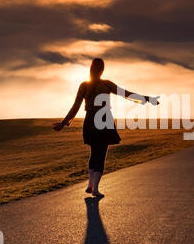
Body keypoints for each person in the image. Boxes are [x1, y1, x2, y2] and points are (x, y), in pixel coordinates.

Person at [53, 58, 160, 197]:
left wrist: (63, 123)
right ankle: (95, 188)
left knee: (93, 152)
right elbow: (127, 94)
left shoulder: (84, 85)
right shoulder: (106, 84)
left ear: (90, 69)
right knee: (101, 153)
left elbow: (76, 106)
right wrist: (147, 99)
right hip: (104, 119)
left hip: (90, 120)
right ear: (102, 70)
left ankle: (90, 184)